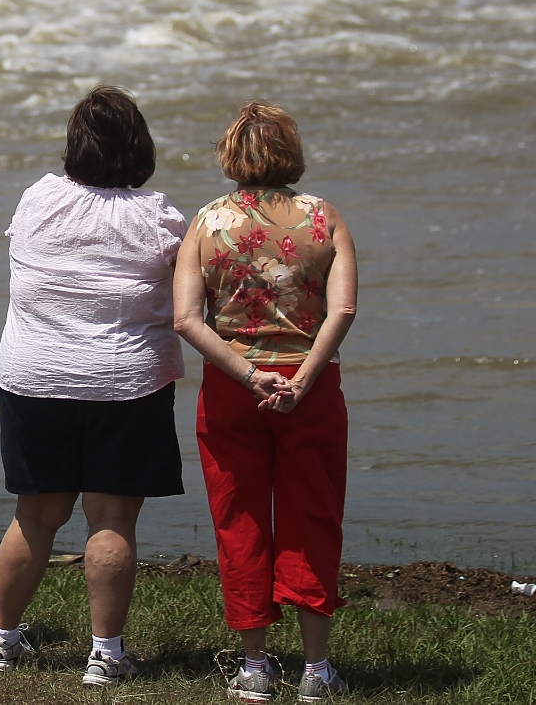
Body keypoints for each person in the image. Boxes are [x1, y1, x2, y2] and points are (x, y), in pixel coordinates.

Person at [0, 86, 187, 688]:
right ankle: (105, 654)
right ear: (139, 147)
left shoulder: (39, 198)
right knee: (113, 519)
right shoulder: (158, 216)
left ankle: (2, 639)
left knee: (35, 515)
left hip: (34, 375)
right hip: (124, 380)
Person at [172, 102, 357, 704]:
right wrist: (299, 379)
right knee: (313, 517)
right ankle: (315, 668)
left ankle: (254, 667)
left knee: (239, 518)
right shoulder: (324, 218)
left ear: (231, 155)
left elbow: (186, 319)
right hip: (310, 387)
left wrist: (249, 375)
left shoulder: (206, 222)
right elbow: (343, 309)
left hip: (232, 388)